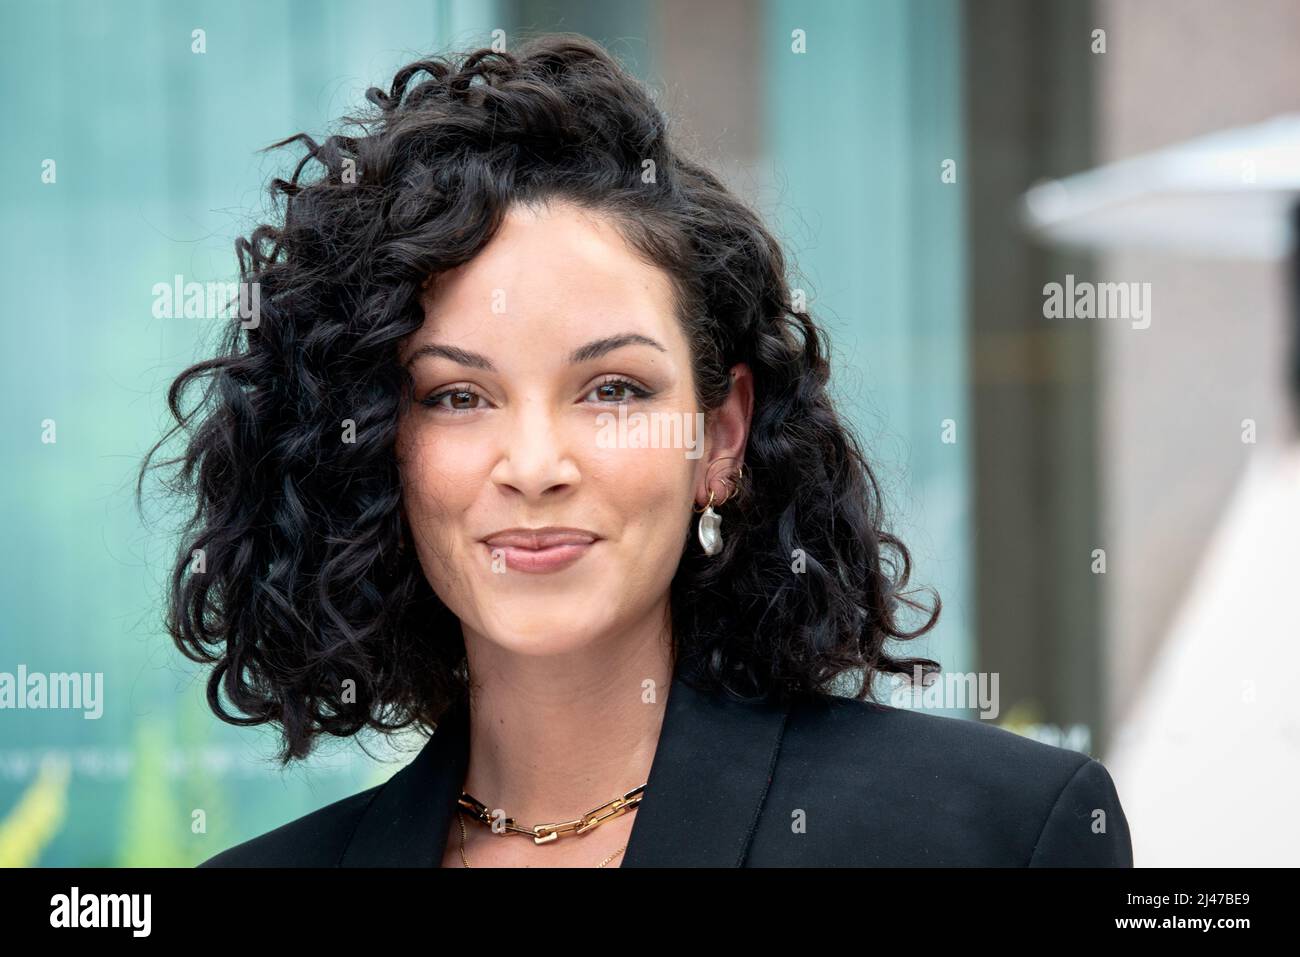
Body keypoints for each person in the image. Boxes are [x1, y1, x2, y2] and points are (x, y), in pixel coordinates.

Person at [142, 32, 1132, 867]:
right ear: (373, 453)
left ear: (720, 437)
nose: (533, 465)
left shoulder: (991, 836)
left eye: (612, 389)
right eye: (457, 396)